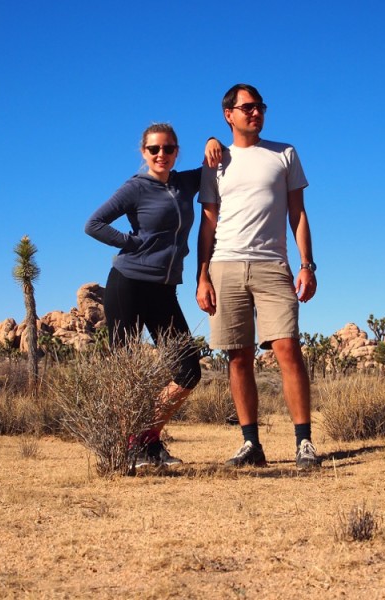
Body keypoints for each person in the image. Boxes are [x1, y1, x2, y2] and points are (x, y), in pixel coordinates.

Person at [196, 83, 320, 469]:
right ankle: (252, 444)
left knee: (288, 350)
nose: (256, 112)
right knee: (238, 356)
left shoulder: (284, 154)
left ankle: (304, 443)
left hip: (272, 264)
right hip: (225, 264)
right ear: (228, 114)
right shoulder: (215, 161)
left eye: (260, 106)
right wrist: (202, 275)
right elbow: (208, 222)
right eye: (247, 107)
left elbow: (297, 213)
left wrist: (307, 264)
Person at [85, 123, 221, 469]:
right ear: (144, 152)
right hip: (128, 282)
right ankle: (126, 449)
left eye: (169, 149)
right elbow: (94, 223)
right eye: (155, 149)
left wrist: (211, 139)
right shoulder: (136, 187)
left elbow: (214, 161)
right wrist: (132, 243)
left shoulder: (183, 183)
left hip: (164, 289)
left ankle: (146, 437)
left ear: (177, 151)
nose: (162, 155)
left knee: (188, 369)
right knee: (124, 368)